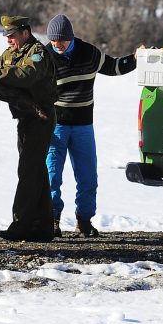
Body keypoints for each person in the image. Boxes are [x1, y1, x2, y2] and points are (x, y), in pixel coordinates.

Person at [0, 15, 57, 242]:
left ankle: (21, 225)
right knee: (36, 171)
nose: (9, 40)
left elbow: (26, 74)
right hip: (27, 118)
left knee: (27, 171)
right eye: (6, 36)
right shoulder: (14, 53)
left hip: (40, 119)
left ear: (25, 33)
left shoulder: (37, 53)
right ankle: (44, 227)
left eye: (12, 36)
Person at [44, 13, 137, 238]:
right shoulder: (45, 56)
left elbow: (114, 67)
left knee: (87, 177)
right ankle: (52, 221)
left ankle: (84, 221)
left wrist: (136, 58)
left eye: (61, 40)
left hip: (84, 125)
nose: (57, 45)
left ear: (71, 37)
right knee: (52, 175)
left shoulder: (89, 53)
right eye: (53, 40)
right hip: (56, 125)